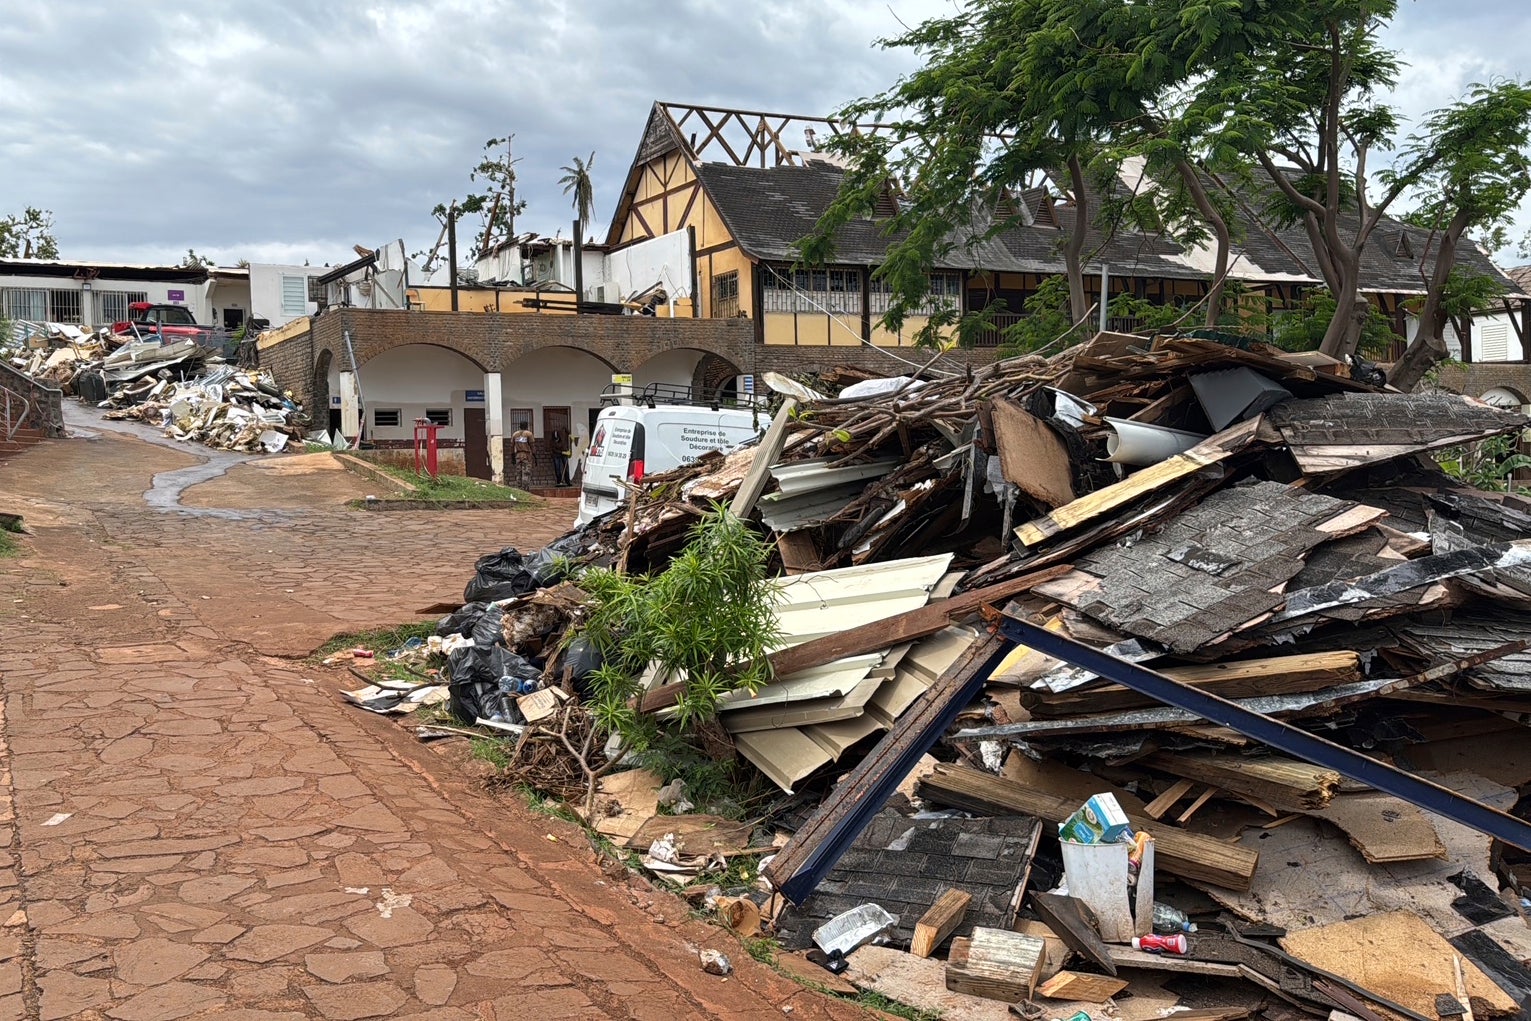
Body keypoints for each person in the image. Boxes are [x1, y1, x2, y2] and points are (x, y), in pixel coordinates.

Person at [509, 421, 535, 487]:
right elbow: (532, 446)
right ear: (526, 426)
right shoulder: (529, 434)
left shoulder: (515, 434)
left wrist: (512, 457)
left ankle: (519, 489)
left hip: (517, 456)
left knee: (518, 473)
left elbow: (512, 446)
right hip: (526, 456)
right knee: (526, 472)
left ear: (519, 426)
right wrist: (535, 456)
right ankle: (525, 489)